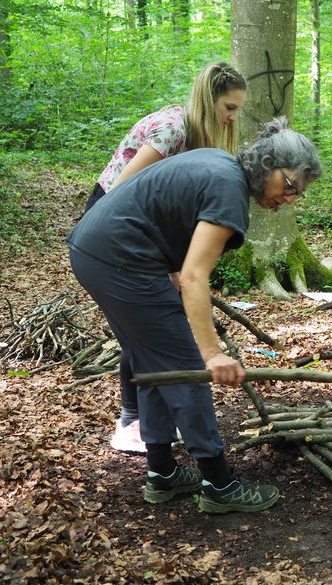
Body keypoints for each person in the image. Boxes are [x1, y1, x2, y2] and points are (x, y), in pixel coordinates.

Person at [66, 116, 322, 513]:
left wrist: (166, 271)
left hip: (97, 251)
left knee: (154, 362)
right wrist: (212, 353)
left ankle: (162, 473)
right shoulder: (228, 189)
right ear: (268, 163)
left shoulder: (219, 166)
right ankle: (219, 483)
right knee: (186, 365)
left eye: (298, 194)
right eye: (289, 186)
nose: (289, 198)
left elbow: (164, 220)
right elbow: (194, 276)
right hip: (120, 261)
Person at [86, 62, 247, 454]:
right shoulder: (174, 129)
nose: (231, 118)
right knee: (146, 323)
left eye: (237, 110)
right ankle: (130, 420)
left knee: (155, 322)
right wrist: (167, 266)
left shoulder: (197, 136)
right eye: (228, 107)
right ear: (208, 100)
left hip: (141, 232)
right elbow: (122, 191)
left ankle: (146, 417)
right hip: (112, 225)